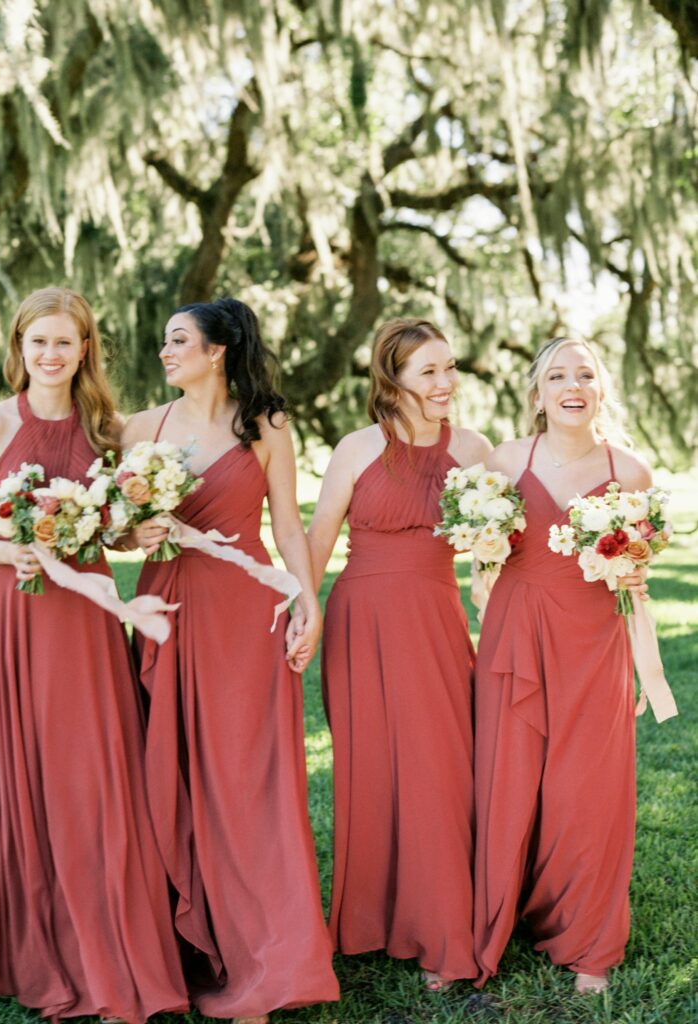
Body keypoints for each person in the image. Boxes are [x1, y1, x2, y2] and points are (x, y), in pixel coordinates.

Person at [0, 287, 188, 1023]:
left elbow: (108, 532)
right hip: (17, 614)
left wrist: (133, 537)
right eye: (37, 341)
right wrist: (13, 548)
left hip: (85, 613)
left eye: (64, 342)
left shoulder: (106, 430)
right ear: (17, 347)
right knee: (38, 780)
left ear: (86, 348)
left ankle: (115, 958)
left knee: (98, 776)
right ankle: (50, 957)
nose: (50, 355)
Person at [123, 297, 339, 1024]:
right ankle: (185, 949)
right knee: (170, 770)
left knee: (250, 780)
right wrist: (137, 531)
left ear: (217, 350)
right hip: (167, 609)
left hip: (249, 612)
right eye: (163, 341)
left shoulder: (267, 424)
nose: (165, 351)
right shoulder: (139, 428)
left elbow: (285, 523)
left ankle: (268, 960)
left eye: (178, 339)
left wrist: (307, 602)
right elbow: (118, 533)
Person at [307, 317, 491, 990]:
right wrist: (302, 612)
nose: (446, 383)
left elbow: (499, 544)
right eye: (429, 372)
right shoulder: (356, 447)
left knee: (439, 767)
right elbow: (319, 538)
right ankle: (371, 921)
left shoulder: (472, 449)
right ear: (393, 379)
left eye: (450, 368)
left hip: (436, 619)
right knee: (372, 768)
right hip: (360, 620)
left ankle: (444, 931)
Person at [472, 336, 651, 995]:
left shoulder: (629, 471)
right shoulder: (505, 458)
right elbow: (482, 551)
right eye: (557, 374)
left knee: (588, 790)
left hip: (593, 641)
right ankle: (504, 913)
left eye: (584, 373)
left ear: (600, 389)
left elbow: (635, 572)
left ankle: (588, 938)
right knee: (510, 781)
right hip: (516, 634)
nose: (571, 384)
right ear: (537, 393)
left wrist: (639, 657)